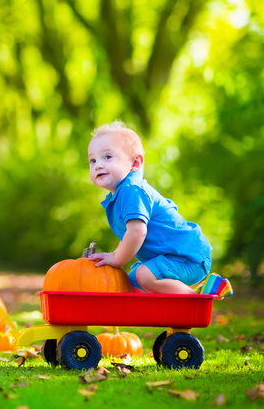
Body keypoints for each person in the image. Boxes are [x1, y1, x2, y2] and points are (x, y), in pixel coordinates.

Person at [86, 121, 232, 297]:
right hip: (173, 257)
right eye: (92, 160)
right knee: (131, 281)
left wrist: (115, 258)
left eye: (107, 157)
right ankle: (175, 319)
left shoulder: (133, 190)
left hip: (187, 257)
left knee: (144, 275)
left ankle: (197, 298)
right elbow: (129, 235)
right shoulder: (122, 194)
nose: (98, 165)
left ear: (135, 163)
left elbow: (136, 232)